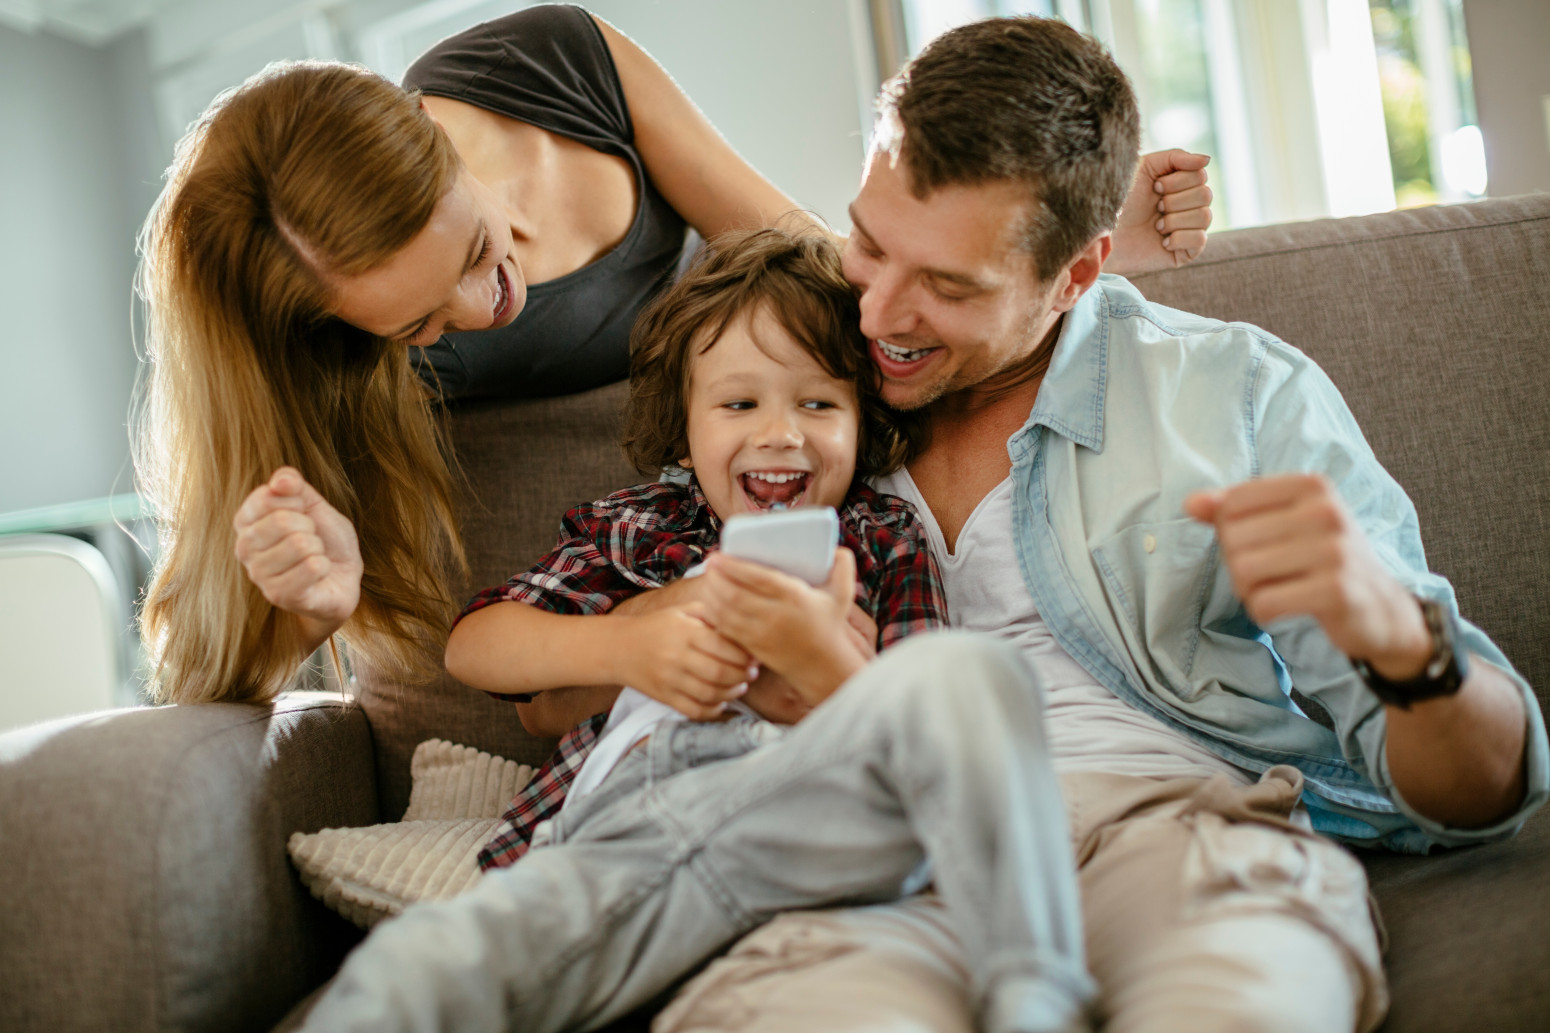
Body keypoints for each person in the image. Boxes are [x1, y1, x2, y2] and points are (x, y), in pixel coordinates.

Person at [294, 14, 1548, 1033]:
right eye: (866, 243)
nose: (876, 313)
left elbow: (1479, 789)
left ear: (1075, 274)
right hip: (854, 868)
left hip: (1168, 836)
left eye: (945, 286)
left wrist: (1403, 650)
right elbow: (551, 671)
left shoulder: (1228, 396)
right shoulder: (793, 391)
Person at [134, 3, 1215, 706]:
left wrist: (1062, 237)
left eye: (472, 249)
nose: (484, 308)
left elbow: (809, 264)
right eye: (423, 328)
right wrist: (308, 610)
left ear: (431, 141)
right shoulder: (338, 352)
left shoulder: (556, 61)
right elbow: (240, 652)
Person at [445, 226, 950, 863]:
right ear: (684, 432)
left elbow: (925, 730)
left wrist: (813, 671)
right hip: (622, 823)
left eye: (819, 403)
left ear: (864, 425)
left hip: (796, 827)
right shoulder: (641, 525)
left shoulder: (888, 540)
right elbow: (474, 646)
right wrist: (628, 648)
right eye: (739, 403)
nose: (779, 433)